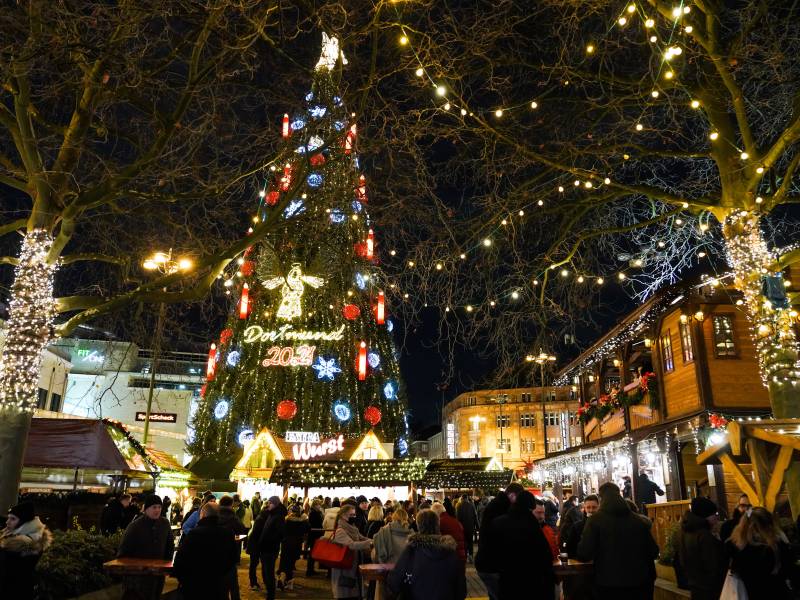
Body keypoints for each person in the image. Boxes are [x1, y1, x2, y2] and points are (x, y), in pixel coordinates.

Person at [577, 482, 659, 600]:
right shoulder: (638, 521)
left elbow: (584, 553)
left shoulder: (595, 520)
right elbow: (653, 551)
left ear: (601, 499)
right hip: (641, 583)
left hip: (609, 583)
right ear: (619, 495)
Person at [484, 491, 554, 599]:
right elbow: (545, 554)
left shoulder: (499, 522)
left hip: (507, 580)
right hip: (531, 581)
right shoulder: (532, 524)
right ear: (530, 508)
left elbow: (491, 551)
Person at [385, 508, 466, 600]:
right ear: (437, 524)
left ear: (418, 526)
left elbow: (394, 582)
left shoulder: (412, 550)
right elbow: (461, 590)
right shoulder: (451, 552)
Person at [173, 502, 238, 599]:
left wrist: (185, 581)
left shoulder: (194, 534)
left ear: (202, 514)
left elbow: (180, 562)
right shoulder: (228, 534)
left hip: (195, 587)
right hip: (219, 588)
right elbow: (233, 559)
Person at [727, 506, 794, 599]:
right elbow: (788, 569)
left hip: (748, 594)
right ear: (769, 524)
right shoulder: (775, 545)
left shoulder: (733, 545)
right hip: (776, 593)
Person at [117, 495, 174, 600]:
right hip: (138, 579)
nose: (157, 510)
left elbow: (170, 545)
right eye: (154, 507)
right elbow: (123, 553)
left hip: (157, 576)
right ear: (146, 509)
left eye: (159, 507)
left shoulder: (165, 524)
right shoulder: (134, 526)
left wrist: (165, 565)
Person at [673, 497, 727, 600]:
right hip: (709, 590)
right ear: (705, 516)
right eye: (714, 515)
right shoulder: (704, 536)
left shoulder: (684, 532)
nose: (717, 518)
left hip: (695, 587)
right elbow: (714, 565)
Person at [0, 502, 52, 600]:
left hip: (14, 592)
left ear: (24, 522)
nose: (7, 522)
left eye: (13, 519)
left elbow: (8, 571)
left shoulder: (25, 542)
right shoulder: (14, 535)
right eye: (8, 518)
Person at [474, 485, 514, 600]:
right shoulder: (501, 509)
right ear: (512, 495)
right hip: (492, 564)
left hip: (486, 562)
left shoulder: (494, 506)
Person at [331, 503, 373, 599]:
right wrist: (370, 544)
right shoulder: (340, 531)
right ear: (342, 515)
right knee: (346, 594)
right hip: (344, 568)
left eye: (354, 515)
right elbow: (352, 545)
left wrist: (375, 540)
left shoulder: (353, 528)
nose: (354, 517)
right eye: (351, 515)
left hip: (354, 566)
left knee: (354, 593)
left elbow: (363, 538)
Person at [561, 495, 599, 600]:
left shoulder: (604, 525)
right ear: (584, 509)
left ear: (599, 507)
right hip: (582, 572)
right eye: (589, 507)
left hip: (600, 571)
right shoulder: (577, 526)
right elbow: (570, 548)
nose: (591, 510)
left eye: (594, 507)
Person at [218, 495, 248, 600]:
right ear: (231, 505)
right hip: (230, 553)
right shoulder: (232, 516)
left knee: (219, 585)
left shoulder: (215, 515)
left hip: (216, 553)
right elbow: (241, 530)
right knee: (233, 585)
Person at [259, 496, 287, 600]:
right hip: (266, 548)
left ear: (275, 504)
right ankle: (269, 592)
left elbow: (281, 534)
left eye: (270, 503)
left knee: (268, 572)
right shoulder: (272, 514)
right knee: (266, 572)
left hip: (270, 549)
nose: (268, 505)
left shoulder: (278, 516)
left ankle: (271, 595)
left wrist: (270, 541)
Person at [279, 504, 309, 590]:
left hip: (286, 543)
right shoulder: (303, 521)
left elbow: (282, 530)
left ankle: (283, 579)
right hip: (296, 544)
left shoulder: (286, 520)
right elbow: (308, 528)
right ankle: (287, 581)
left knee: (285, 562)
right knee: (291, 563)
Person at [456, 494, 478, 560]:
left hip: (463, 527)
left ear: (462, 498)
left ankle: (465, 555)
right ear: (467, 498)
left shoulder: (459, 506)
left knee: (464, 542)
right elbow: (475, 516)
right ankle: (471, 555)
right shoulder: (472, 505)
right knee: (470, 541)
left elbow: (458, 518)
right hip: (470, 527)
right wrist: (477, 526)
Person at [306, 498, 324, 576]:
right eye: (318, 505)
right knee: (312, 553)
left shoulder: (314, 512)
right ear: (315, 505)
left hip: (314, 534)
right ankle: (309, 570)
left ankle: (311, 569)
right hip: (314, 534)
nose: (319, 506)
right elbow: (316, 523)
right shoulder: (314, 513)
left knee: (312, 552)